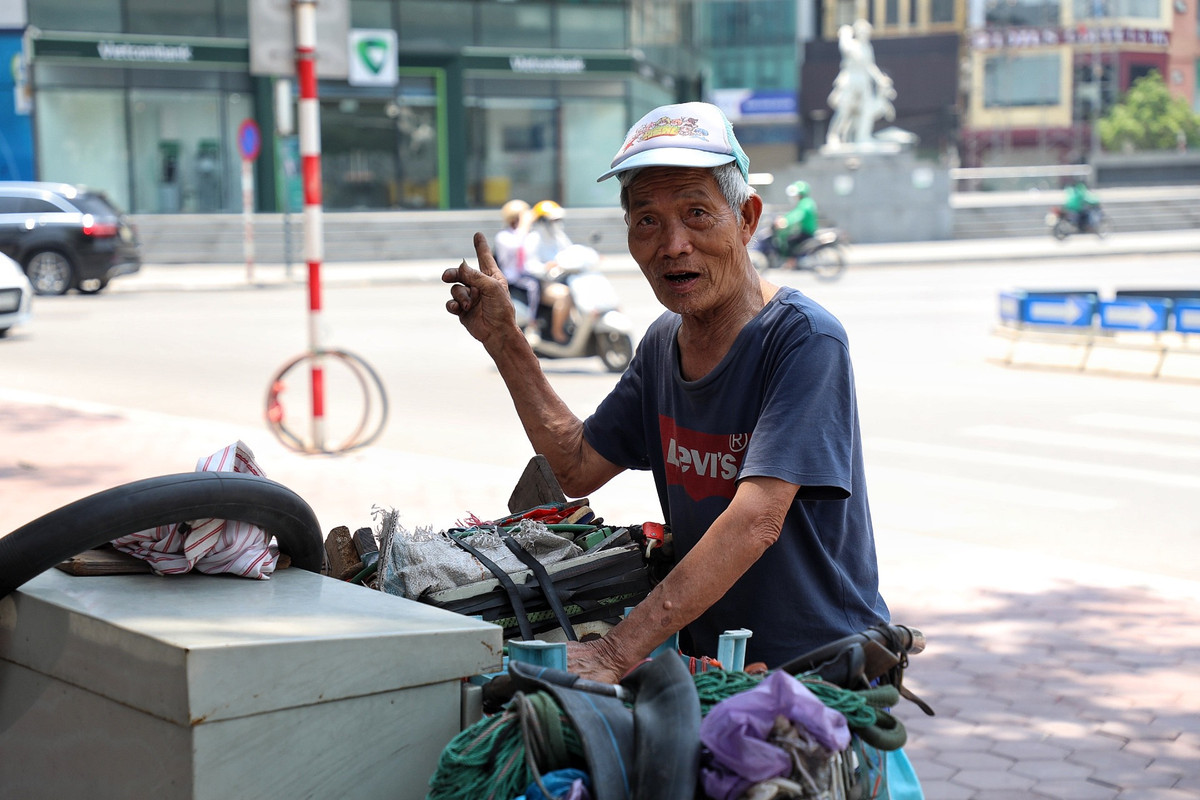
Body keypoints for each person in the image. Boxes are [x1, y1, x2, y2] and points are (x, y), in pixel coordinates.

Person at [442, 101, 889, 682]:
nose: (673, 244)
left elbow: (756, 518)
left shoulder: (804, 340)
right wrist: (505, 340)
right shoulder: (662, 343)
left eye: (698, 213)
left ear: (747, 219)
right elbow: (575, 467)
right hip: (716, 666)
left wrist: (615, 651)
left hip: (817, 669)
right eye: (647, 220)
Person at [826, 19, 896, 146]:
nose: (864, 34)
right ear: (857, 32)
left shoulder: (867, 48)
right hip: (850, 79)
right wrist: (845, 33)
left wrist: (880, 79)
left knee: (866, 110)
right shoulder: (851, 44)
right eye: (862, 31)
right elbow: (844, 46)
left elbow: (870, 66)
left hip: (864, 82)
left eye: (866, 32)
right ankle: (833, 135)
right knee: (844, 110)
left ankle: (862, 137)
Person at [527, 199, 575, 344]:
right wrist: (545, 267)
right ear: (542, 222)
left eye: (558, 220)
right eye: (553, 220)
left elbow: (571, 253)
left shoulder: (559, 237)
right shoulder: (533, 239)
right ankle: (557, 331)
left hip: (564, 278)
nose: (557, 223)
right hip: (544, 285)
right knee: (565, 296)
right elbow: (529, 265)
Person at [493, 199, 540, 320]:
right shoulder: (503, 236)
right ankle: (532, 322)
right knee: (533, 287)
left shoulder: (529, 234)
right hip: (512, 276)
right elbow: (516, 245)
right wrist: (524, 225)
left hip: (527, 272)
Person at [772, 180, 819, 263]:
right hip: (804, 231)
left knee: (790, 240)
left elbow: (798, 215)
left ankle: (791, 262)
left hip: (807, 232)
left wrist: (786, 221)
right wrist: (784, 218)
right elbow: (793, 213)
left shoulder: (806, 203)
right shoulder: (805, 203)